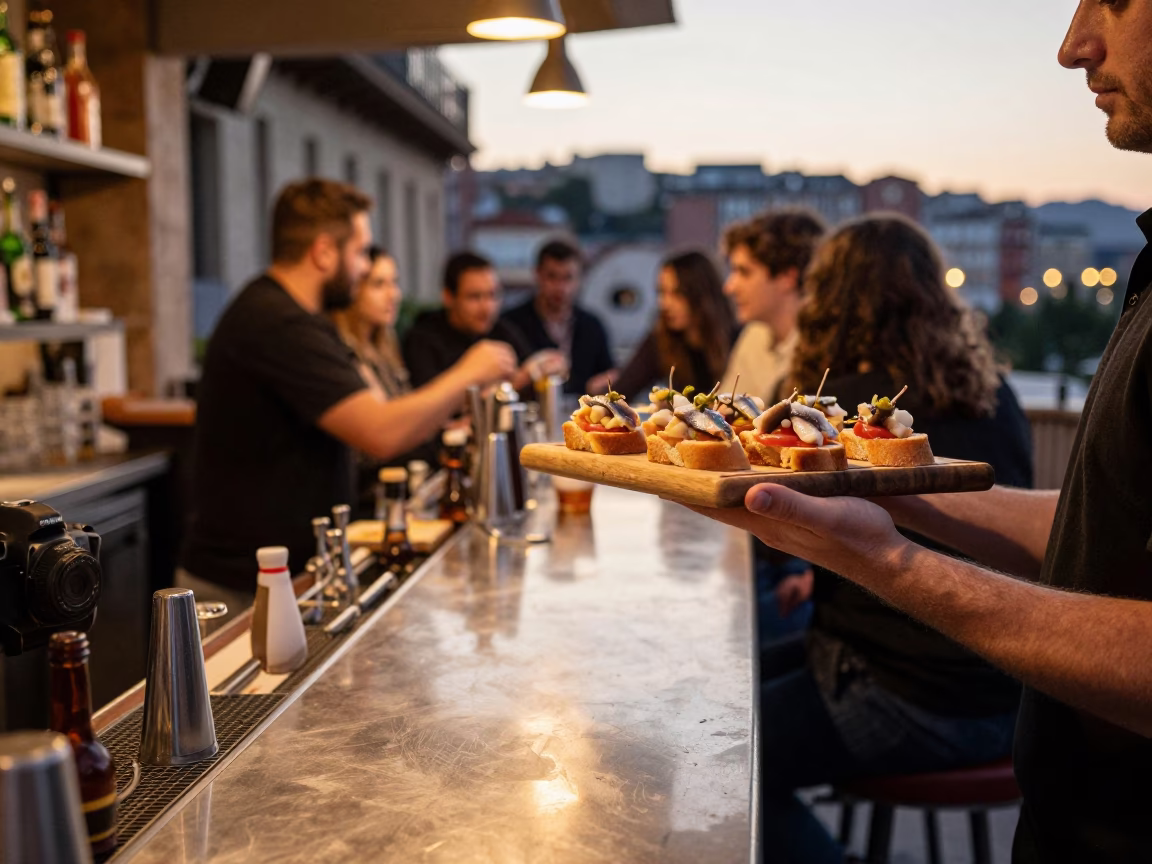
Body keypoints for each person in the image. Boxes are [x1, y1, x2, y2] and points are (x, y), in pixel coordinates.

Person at [695, 4, 1152, 859]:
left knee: (704, 752)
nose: (1072, 44)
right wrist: (891, 494)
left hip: (926, 702)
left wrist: (880, 555)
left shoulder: (842, 392)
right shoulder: (1001, 380)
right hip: (1006, 714)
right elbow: (1102, 533)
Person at [757, 215, 1032, 864]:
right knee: (733, 680)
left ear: (829, 298)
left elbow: (777, 538)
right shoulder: (998, 395)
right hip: (1010, 696)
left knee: (714, 752)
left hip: (908, 697)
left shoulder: (827, 413)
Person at [181, 180, 516, 616]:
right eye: (360, 252)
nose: (362, 269)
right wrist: (468, 373)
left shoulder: (293, 318)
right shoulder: (279, 324)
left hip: (278, 576)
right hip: (243, 588)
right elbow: (379, 432)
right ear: (323, 252)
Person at [403, 251, 566, 392]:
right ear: (448, 297)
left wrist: (547, 366)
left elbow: (530, 368)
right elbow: (431, 405)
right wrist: (516, 381)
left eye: (493, 295)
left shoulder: (500, 330)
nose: (487, 308)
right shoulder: (422, 339)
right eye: (474, 297)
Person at [588, 250, 736, 399]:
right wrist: (597, 393)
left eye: (677, 293)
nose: (664, 303)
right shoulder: (662, 338)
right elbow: (620, 392)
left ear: (702, 295)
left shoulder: (738, 338)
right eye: (662, 292)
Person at [721, 210, 827, 403]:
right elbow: (723, 414)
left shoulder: (825, 346)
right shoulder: (754, 335)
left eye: (744, 272)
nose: (729, 287)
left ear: (787, 277)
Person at [500, 239, 615, 394]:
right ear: (538, 275)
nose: (561, 288)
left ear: (579, 279)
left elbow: (609, 374)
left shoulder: (592, 325)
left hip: (584, 415)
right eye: (552, 277)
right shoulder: (510, 324)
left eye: (568, 278)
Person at [330, 245, 410, 399]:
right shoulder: (342, 350)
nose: (394, 295)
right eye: (378, 284)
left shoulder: (385, 344)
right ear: (353, 289)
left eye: (394, 282)